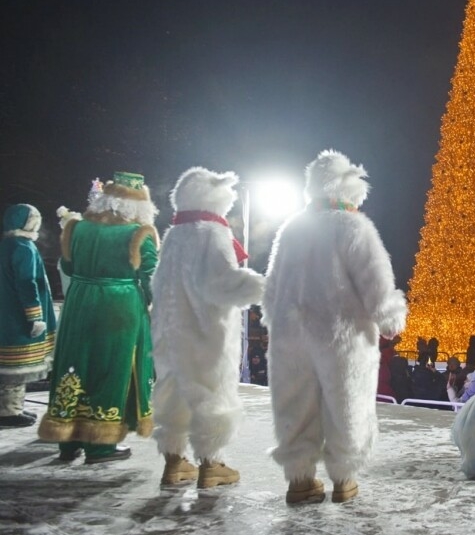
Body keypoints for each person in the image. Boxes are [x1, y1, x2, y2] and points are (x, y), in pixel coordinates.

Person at [263, 150, 407, 504]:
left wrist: (276, 321)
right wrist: (390, 317)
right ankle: (344, 480)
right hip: (342, 334)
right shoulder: (354, 227)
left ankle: (300, 479)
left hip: (290, 335)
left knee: (295, 404)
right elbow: (375, 281)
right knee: (347, 401)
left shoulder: (291, 228)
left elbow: (271, 286)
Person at [149, 166, 267, 488]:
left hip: (170, 329)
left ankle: (174, 464)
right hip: (206, 330)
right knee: (210, 391)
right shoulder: (212, 232)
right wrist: (262, 287)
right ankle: (211, 465)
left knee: (172, 388)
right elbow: (222, 282)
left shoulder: (175, 233)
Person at [38, 173, 159, 463]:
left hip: (79, 303)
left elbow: (67, 266)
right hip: (119, 306)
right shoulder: (139, 234)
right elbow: (153, 278)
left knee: (74, 363)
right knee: (111, 368)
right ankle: (100, 444)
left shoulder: (76, 228)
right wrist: (148, 305)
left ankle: (67, 441)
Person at [0, 204, 56, 428]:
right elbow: (27, 283)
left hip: (6, 314)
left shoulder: (6, 245)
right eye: (34, 218)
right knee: (16, 369)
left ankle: (10, 408)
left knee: (5, 367)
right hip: (19, 317)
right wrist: (36, 317)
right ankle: (9, 412)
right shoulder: (24, 247)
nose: (37, 223)